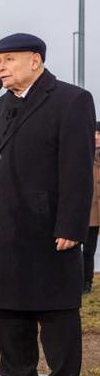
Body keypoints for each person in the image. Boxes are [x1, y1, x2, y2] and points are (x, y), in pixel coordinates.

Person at [0, 33, 95, 376]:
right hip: (3, 227)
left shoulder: (71, 100)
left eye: (7, 60)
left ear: (35, 61)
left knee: (54, 310)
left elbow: (77, 170)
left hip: (49, 228)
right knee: (8, 311)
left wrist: (72, 225)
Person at [84, 122, 100, 295]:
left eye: (99, 133)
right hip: (89, 212)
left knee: (89, 249)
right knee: (87, 250)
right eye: (94, 133)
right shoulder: (82, 155)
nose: (96, 137)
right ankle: (85, 282)